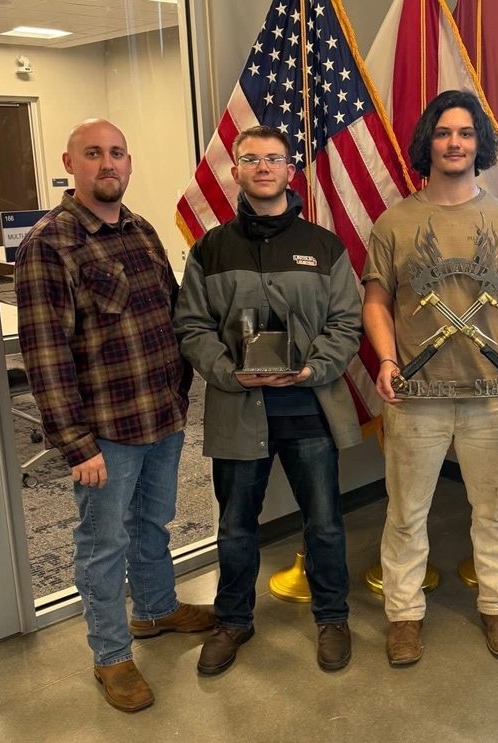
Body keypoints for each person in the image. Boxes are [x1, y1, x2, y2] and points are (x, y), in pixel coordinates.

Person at [14, 119, 214, 713]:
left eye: (118, 154)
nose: (109, 164)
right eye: (94, 154)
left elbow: (171, 317)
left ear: (129, 164)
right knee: (102, 544)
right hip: (105, 433)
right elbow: (45, 355)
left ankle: (154, 608)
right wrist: (77, 445)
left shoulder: (141, 228)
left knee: (154, 522)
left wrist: (183, 394)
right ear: (70, 164)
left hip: (162, 416)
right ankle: (111, 656)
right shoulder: (50, 244)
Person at [173, 125, 362, 675]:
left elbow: (347, 322)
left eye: (273, 159)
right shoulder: (210, 248)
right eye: (250, 159)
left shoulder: (323, 246)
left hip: (308, 409)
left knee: (324, 523)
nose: (262, 167)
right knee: (235, 527)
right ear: (235, 170)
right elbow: (191, 324)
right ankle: (233, 622)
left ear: (290, 170)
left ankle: (332, 617)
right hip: (239, 412)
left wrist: (312, 368)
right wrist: (230, 373)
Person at [362, 90, 498, 666]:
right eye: (444, 132)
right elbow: (377, 301)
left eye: (465, 132)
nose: (455, 142)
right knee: (406, 513)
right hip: (417, 396)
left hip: (490, 395)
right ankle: (405, 617)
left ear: (478, 143)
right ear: (429, 142)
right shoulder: (395, 221)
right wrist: (388, 360)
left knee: (494, 509)